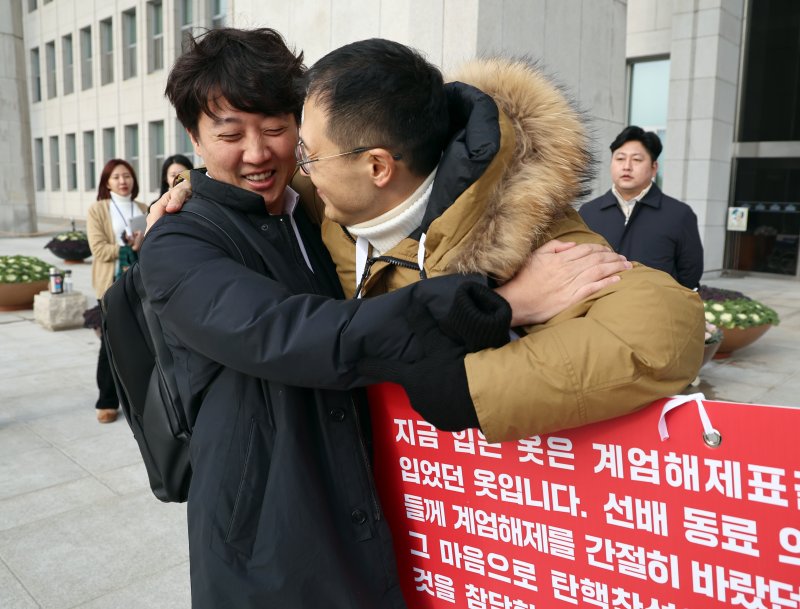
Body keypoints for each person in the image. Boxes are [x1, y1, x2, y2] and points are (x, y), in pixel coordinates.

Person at [139, 28, 626, 609]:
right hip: (263, 528)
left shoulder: (315, 210)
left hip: (360, 494)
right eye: (228, 135)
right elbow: (293, 335)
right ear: (194, 138)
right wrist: (501, 303)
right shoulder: (178, 242)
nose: (256, 152)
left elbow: (400, 152)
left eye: (274, 129)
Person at [579, 125, 705, 289]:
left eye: (637, 159)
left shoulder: (679, 215)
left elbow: (690, 275)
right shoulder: (588, 212)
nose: (627, 166)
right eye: (620, 159)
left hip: (656, 309)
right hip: (597, 310)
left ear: (654, 168)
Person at [86, 159, 146, 423]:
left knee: (141, 342)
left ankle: (141, 399)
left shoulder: (143, 208)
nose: (123, 181)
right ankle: (107, 400)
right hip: (110, 285)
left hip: (139, 284)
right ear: (107, 182)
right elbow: (98, 249)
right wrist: (129, 248)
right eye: (117, 177)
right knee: (109, 344)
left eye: (127, 176)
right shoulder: (98, 210)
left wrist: (142, 244)